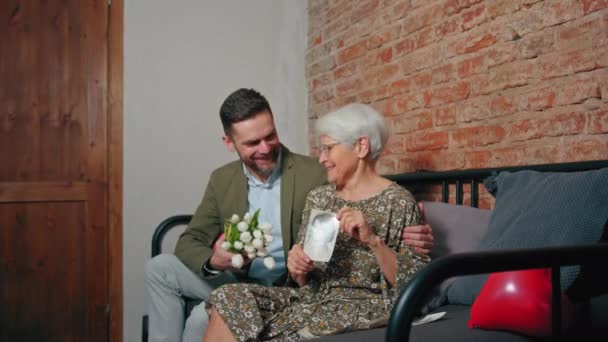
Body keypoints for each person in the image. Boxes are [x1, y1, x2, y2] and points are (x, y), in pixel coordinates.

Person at [145, 89, 434, 342]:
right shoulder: (226, 180)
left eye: (270, 136)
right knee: (163, 269)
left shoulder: (315, 175)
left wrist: (386, 235)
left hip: (298, 289)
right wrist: (215, 260)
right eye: (252, 142)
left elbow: (363, 184)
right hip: (258, 281)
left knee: (201, 316)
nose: (265, 147)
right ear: (229, 143)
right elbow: (191, 240)